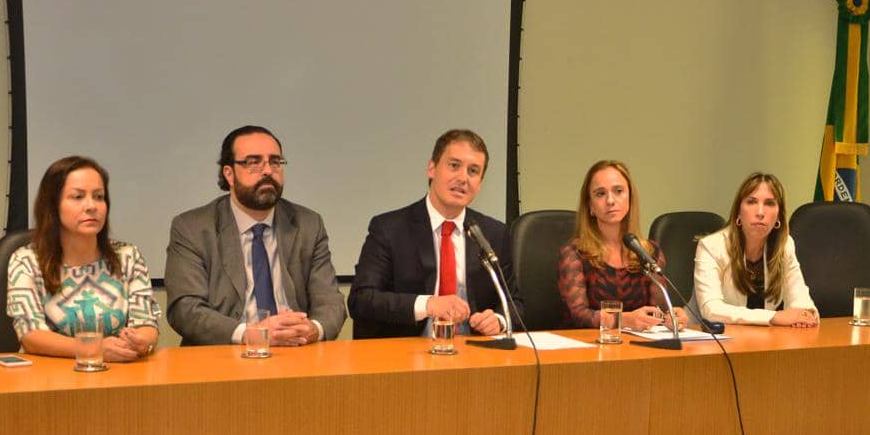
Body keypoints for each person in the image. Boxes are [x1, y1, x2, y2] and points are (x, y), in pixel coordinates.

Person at [164, 125, 346, 346]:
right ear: (229, 174)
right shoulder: (192, 227)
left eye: (275, 161)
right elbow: (185, 309)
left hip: (296, 351)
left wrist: (313, 329)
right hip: (224, 355)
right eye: (253, 162)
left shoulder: (308, 224)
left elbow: (331, 301)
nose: (267, 170)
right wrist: (249, 333)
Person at [348, 129, 523, 339]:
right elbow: (362, 300)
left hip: (473, 354)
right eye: (454, 166)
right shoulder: (389, 229)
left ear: (480, 184)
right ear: (432, 168)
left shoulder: (493, 233)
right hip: (408, 354)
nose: (463, 178)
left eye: (473, 171)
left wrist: (499, 320)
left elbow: (515, 303)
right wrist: (428, 304)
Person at [7, 156, 160, 361]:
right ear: (53, 205)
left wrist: (143, 341)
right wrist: (93, 349)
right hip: (49, 377)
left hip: (120, 373)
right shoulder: (26, 261)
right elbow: (30, 335)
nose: (92, 206)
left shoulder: (127, 256)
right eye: (78, 197)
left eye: (99, 196)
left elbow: (146, 323)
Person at [558, 160, 688, 331]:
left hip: (639, 347)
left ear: (630, 198)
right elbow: (578, 316)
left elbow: (658, 312)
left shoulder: (649, 252)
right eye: (600, 194)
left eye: (618, 191)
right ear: (590, 205)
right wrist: (624, 320)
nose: (610, 200)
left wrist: (671, 317)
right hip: (591, 348)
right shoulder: (575, 254)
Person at [693, 172, 818, 326]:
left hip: (763, 342)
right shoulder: (711, 247)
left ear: (779, 216)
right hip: (715, 341)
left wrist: (806, 314)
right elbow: (711, 310)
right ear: (738, 212)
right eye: (751, 202)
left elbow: (799, 298)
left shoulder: (784, 245)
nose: (760, 212)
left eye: (769, 203)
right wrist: (773, 317)